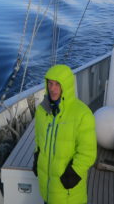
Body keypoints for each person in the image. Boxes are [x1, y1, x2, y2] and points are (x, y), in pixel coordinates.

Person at [33, 64, 97, 204]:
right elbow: (39, 139)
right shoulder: (41, 111)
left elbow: (88, 152)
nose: (52, 88)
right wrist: (36, 155)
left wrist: (74, 173)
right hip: (47, 187)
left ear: (66, 86)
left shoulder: (83, 114)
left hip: (69, 191)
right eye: (50, 83)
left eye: (57, 84)